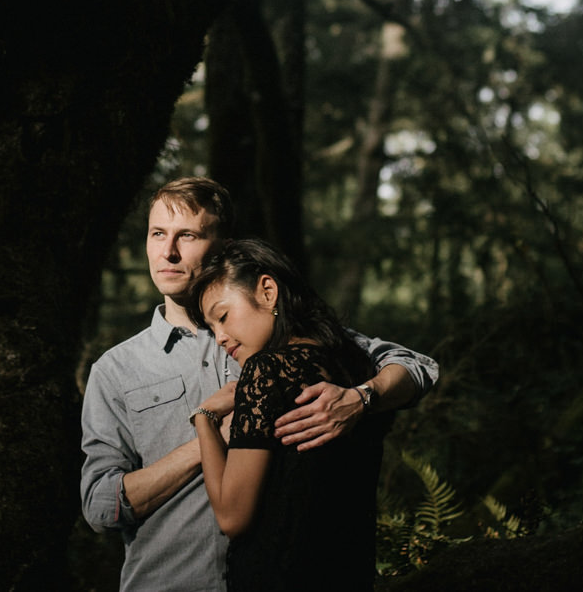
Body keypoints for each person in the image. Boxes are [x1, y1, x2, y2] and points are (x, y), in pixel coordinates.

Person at [80, 176, 437, 592]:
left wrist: (360, 397)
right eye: (158, 233)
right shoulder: (116, 369)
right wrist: (209, 438)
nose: (168, 251)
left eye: (188, 235)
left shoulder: (277, 335)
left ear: (224, 245)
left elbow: (418, 366)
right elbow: (100, 506)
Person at [187, 238, 384, 591]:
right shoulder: (356, 368)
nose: (219, 337)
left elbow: (232, 517)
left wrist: (204, 418)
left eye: (223, 316)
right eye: (211, 327)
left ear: (267, 291)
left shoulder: (265, 370)